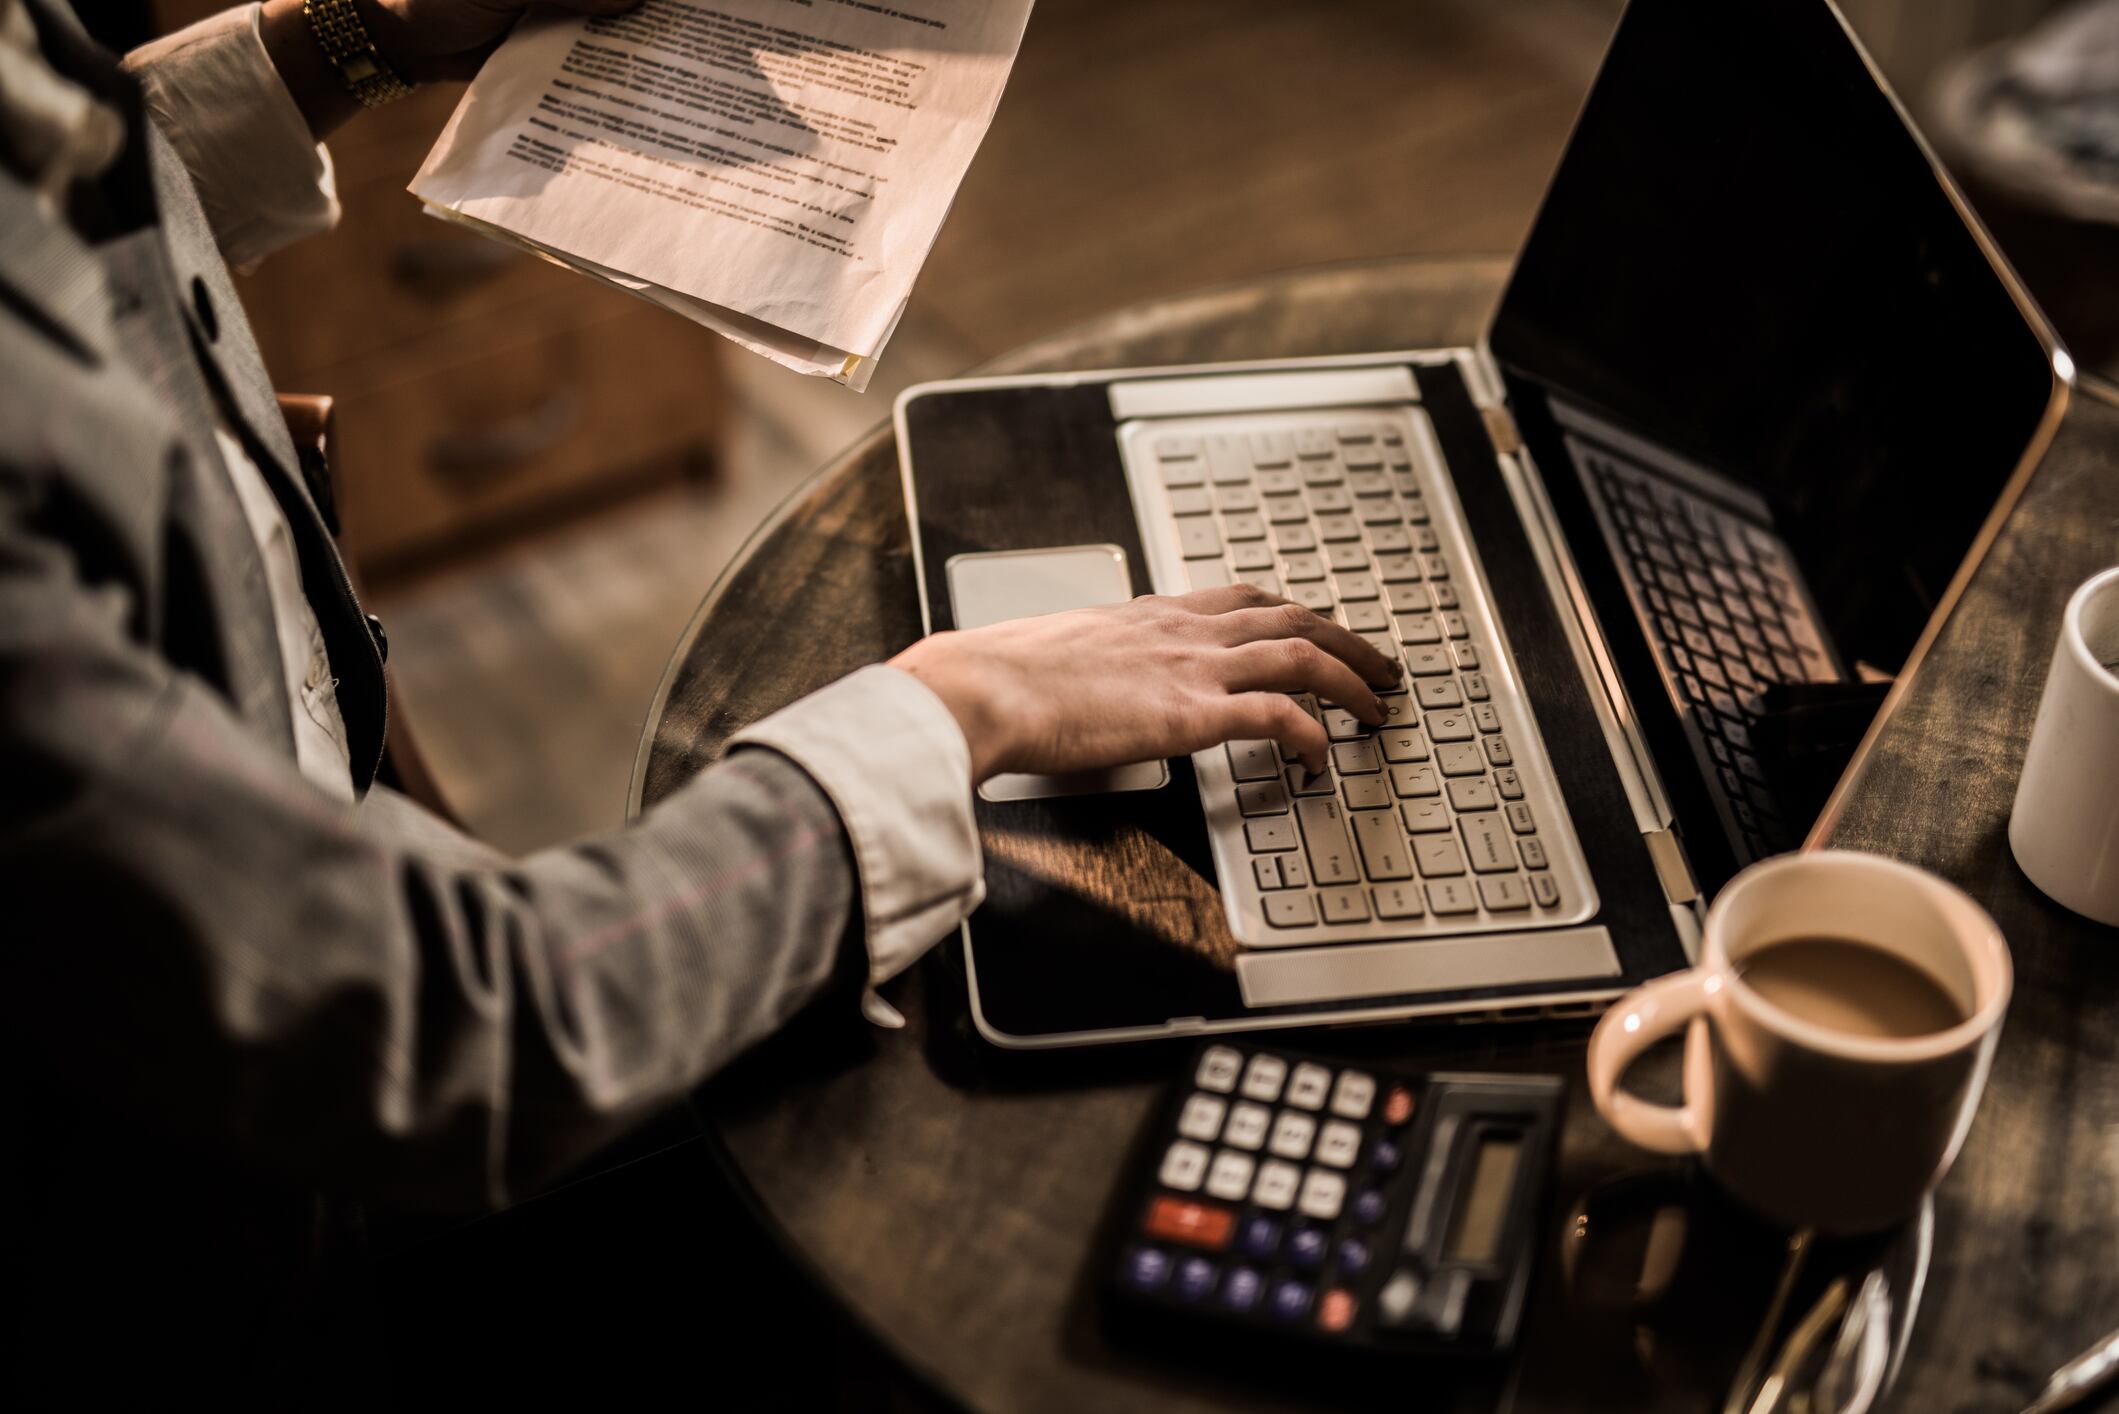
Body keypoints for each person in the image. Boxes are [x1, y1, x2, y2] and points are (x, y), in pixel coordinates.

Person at [0, 0, 1401, 1398]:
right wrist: (956, 704)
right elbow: (455, 1028)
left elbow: (63, 194)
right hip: (237, 1268)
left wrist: (349, 43)